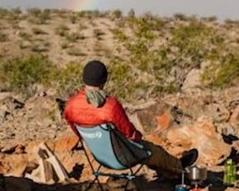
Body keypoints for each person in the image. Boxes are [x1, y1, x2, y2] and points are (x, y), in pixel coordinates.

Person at [63, 60, 197, 178]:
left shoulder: (70, 105)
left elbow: (77, 132)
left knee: (146, 151)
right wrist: (138, 138)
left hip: (100, 156)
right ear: (104, 80)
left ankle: (168, 173)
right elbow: (129, 132)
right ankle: (179, 167)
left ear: (84, 79)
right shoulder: (110, 105)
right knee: (151, 150)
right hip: (121, 158)